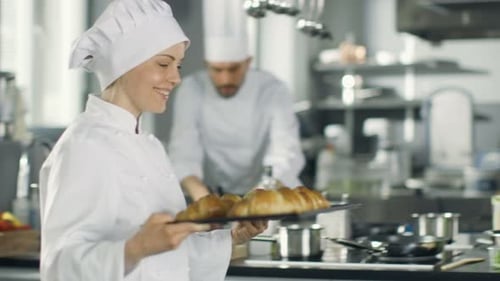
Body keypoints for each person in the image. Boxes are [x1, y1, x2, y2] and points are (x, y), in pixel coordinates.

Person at [38, 0, 266, 280]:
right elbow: (59, 267)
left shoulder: (150, 146)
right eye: (163, 63)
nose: (176, 78)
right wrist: (137, 247)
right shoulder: (84, 146)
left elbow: (169, 256)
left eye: (178, 65)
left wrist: (232, 237)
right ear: (124, 65)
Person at [168, 0, 305, 201]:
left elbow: (286, 155)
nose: (225, 79)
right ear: (207, 65)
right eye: (217, 70)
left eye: (233, 69)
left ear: (248, 62)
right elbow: (183, 156)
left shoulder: (273, 90)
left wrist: (255, 201)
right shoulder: (191, 89)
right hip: (212, 192)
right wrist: (205, 200)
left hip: (267, 194)